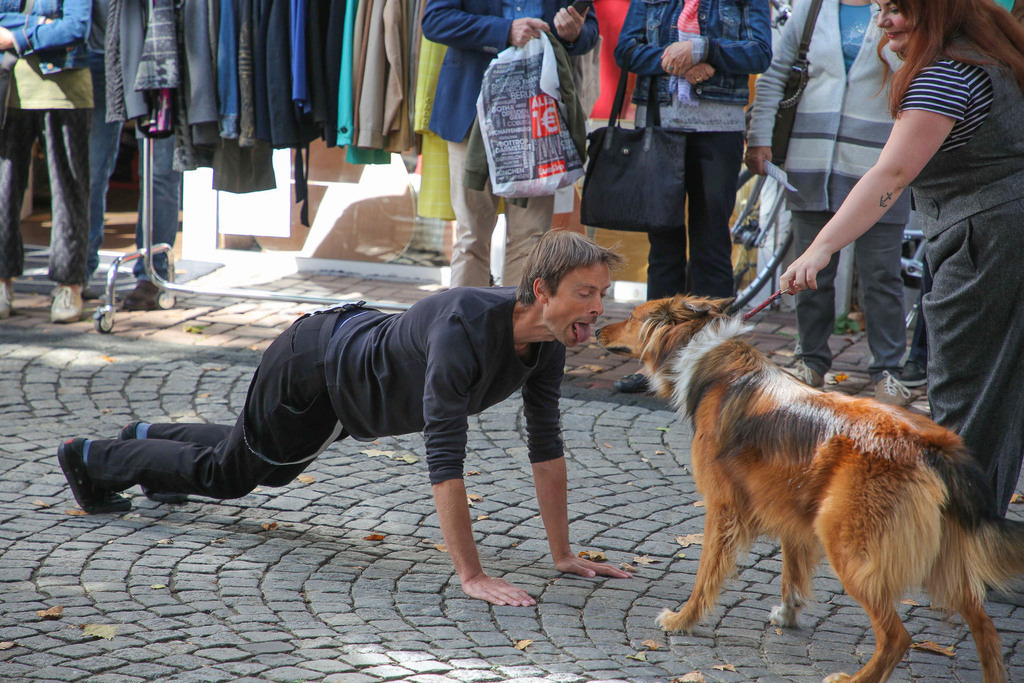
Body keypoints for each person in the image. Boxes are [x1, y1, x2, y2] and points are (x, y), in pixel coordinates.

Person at [57, 230, 631, 606]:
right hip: (313, 368)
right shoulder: (464, 329)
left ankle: (146, 438)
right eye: (585, 292)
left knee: (265, 459)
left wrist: (562, 554)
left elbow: (546, 446)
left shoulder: (548, 342)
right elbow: (444, 458)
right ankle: (92, 458)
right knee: (233, 475)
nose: (598, 308)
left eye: (602, 293)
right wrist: (472, 576)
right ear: (541, 290)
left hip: (340, 380)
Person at [780, 0, 1024, 516]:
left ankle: (957, 539)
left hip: (991, 244)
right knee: (1000, 397)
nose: (882, 20)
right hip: (1000, 234)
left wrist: (821, 247)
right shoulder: (989, 56)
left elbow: (891, 175)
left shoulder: (945, 76)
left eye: (896, 8)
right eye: (880, 8)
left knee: (966, 399)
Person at [745, 0, 913, 406]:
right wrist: (760, 137)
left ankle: (889, 371)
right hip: (811, 159)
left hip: (880, 163)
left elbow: (914, 72)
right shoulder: (812, 7)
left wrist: (889, 40)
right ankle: (809, 361)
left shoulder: (897, 10)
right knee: (809, 270)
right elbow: (776, 74)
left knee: (881, 276)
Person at [610, 0, 771, 393]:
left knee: (711, 245)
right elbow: (625, 50)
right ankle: (656, 364)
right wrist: (676, 61)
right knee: (663, 246)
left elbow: (760, 52)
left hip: (719, 133)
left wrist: (703, 50)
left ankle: (716, 365)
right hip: (658, 127)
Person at [422, 0, 599, 289]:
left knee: (531, 238)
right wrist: (504, 30)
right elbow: (435, 21)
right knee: (471, 235)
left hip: (539, 116)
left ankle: (519, 318)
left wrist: (574, 34)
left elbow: (590, 30)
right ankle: (465, 317)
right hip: (472, 112)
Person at [85, 0, 182, 310]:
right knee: (90, 171)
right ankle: (79, 271)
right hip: (96, 53)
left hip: (156, 50)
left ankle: (152, 275)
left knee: (160, 174)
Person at [0, 0, 92, 323]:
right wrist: (43, 26)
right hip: (8, 90)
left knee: (69, 192)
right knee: (3, 191)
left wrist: (15, 36)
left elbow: (76, 27)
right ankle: (2, 280)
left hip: (65, 91)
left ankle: (70, 285)